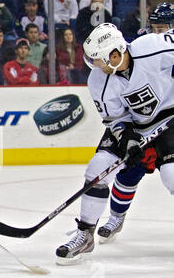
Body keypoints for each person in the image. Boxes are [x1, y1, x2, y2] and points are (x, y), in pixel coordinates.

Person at [55, 23, 174, 265]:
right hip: (133, 127)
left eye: (98, 60)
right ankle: (85, 234)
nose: (95, 65)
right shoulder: (98, 80)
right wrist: (128, 139)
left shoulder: (151, 47)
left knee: (172, 174)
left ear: (115, 54)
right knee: (97, 169)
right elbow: (116, 118)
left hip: (169, 119)